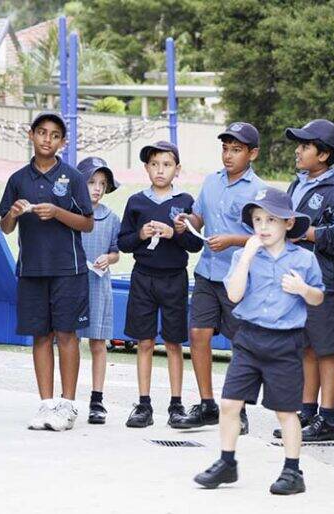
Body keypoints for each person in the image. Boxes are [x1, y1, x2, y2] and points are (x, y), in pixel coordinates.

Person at [193, 187, 324, 495]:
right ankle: (227, 463)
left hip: (285, 342)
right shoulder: (243, 255)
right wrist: (247, 257)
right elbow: (234, 295)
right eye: (257, 220)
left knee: (286, 411)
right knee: (229, 403)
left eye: (271, 220)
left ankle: (293, 471)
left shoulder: (304, 260)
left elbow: (318, 297)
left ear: (288, 223)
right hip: (249, 338)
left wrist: (303, 289)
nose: (263, 227)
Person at [0, 112, 93, 432]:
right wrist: (12, 214)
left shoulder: (73, 177)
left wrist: (57, 212)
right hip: (31, 270)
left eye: (54, 135)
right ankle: (46, 404)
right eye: (41, 133)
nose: (47, 139)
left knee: (67, 334)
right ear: (31, 135)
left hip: (69, 269)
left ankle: (67, 405)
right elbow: (6, 227)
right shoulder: (18, 179)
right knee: (40, 334)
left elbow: (87, 223)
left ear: (62, 142)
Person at [172, 121, 267, 433]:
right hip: (206, 273)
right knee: (198, 335)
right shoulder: (211, 182)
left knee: (241, 343)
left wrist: (231, 239)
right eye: (225, 149)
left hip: (240, 279)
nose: (228, 155)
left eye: (236, 150)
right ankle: (207, 405)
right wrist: (188, 221)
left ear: (252, 154)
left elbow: (266, 235)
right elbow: (201, 216)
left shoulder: (260, 191)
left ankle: (237, 408)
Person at [274, 119, 334, 442]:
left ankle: (329, 419)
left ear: (323, 155)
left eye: (305, 146)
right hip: (298, 280)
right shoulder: (297, 185)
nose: (298, 151)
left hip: (326, 283)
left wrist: (309, 233)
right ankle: (307, 412)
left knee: (327, 349)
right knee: (307, 347)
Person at [117, 141, 203, 428]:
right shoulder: (136, 202)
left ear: (177, 169)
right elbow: (124, 243)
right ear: (146, 168)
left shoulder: (186, 201)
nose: (160, 170)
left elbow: (194, 245)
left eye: (166, 165)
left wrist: (175, 233)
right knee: (143, 341)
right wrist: (141, 233)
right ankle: (143, 405)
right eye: (154, 164)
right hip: (143, 277)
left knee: (174, 342)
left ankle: (176, 405)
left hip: (174, 278)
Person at [75, 156, 121, 425]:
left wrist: (108, 258)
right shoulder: (71, 213)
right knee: (70, 341)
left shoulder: (111, 217)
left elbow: (116, 252)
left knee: (98, 343)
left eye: (102, 183)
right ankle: (66, 396)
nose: (97, 188)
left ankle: (97, 399)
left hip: (99, 284)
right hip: (74, 284)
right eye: (92, 182)